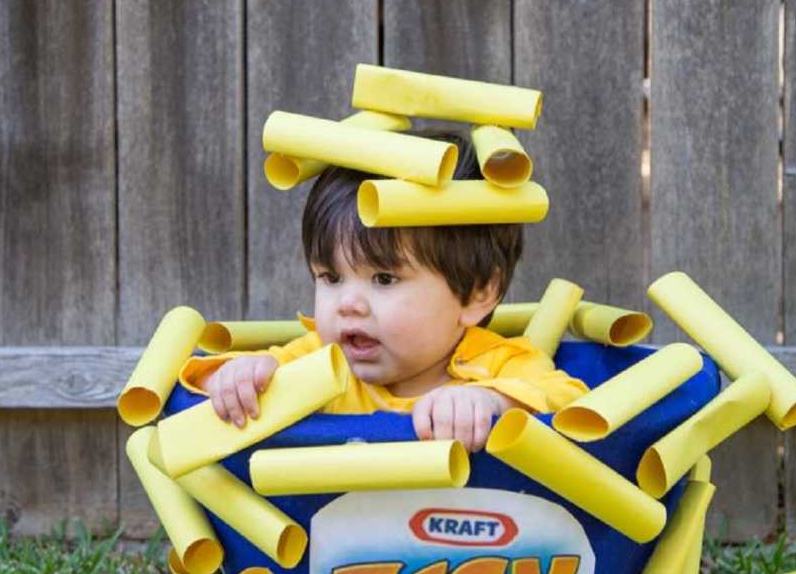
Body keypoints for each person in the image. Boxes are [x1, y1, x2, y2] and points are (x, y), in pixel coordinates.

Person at [179, 129, 587, 452]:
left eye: (384, 279)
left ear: (479, 292)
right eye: (330, 277)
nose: (349, 305)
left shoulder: (497, 365)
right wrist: (238, 377)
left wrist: (494, 403)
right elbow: (209, 381)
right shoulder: (319, 361)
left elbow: (568, 400)